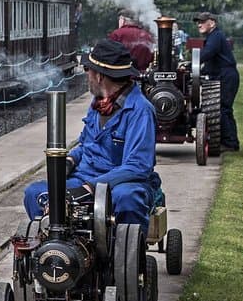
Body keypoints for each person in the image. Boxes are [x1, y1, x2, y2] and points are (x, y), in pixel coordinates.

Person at [23, 39, 156, 228]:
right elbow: (86, 145)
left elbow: (138, 166)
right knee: (35, 192)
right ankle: (58, 248)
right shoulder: (99, 104)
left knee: (127, 199)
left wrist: (91, 188)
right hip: (83, 179)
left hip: (121, 184)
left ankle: (123, 254)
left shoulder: (140, 110)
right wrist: (70, 160)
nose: (87, 75)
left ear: (100, 76)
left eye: (88, 70)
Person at [195, 12, 240, 151]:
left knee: (222, 108)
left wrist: (192, 62)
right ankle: (230, 142)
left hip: (226, 75)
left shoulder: (215, 36)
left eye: (202, 21)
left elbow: (208, 53)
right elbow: (210, 64)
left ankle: (229, 143)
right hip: (224, 74)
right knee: (224, 109)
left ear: (212, 23)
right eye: (198, 22)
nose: (199, 24)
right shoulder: (214, 36)